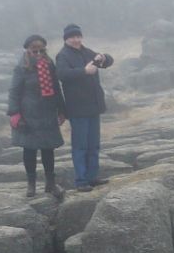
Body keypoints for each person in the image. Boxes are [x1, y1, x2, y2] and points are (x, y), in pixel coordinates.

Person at [6, 34, 66, 199]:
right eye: (35, 51)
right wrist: (15, 113)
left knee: (48, 149)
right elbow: (14, 91)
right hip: (28, 114)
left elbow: (56, 88)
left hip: (47, 112)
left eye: (41, 50)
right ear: (28, 50)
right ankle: (31, 185)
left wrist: (62, 110)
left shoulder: (49, 64)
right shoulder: (21, 68)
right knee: (29, 150)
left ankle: (50, 184)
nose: (38, 53)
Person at [55, 23, 113, 192]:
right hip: (78, 108)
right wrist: (83, 71)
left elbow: (107, 62)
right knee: (80, 146)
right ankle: (81, 181)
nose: (76, 40)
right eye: (72, 37)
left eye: (78, 36)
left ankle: (92, 177)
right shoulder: (63, 55)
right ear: (66, 39)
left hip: (94, 106)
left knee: (94, 144)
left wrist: (105, 57)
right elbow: (62, 75)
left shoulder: (87, 52)